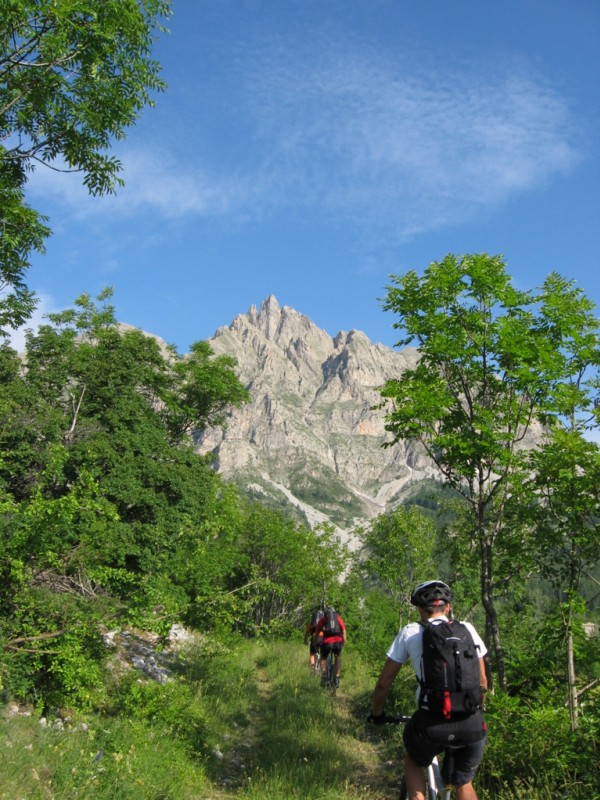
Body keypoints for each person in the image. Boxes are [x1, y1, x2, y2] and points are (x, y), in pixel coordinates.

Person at [368, 580, 488, 800]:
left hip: (430, 724)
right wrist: (475, 709)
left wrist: (377, 714)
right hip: (471, 723)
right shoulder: (468, 629)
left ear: (419, 609)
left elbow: (384, 683)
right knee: (464, 783)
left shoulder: (410, 632)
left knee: (414, 759)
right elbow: (483, 681)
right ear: (448, 607)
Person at [314, 605, 346, 687]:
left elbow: (317, 631)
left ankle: (324, 675)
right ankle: (337, 677)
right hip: (337, 642)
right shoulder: (338, 617)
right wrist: (344, 641)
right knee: (338, 656)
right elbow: (343, 630)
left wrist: (315, 642)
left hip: (327, 642)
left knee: (323, 657)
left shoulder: (323, 619)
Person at [303, 607, 324, 671]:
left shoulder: (312, 624)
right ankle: (321, 669)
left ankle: (313, 669)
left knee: (312, 653)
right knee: (323, 654)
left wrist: (305, 641)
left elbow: (307, 633)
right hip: (322, 638)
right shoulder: (324, 623)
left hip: (315, 638)